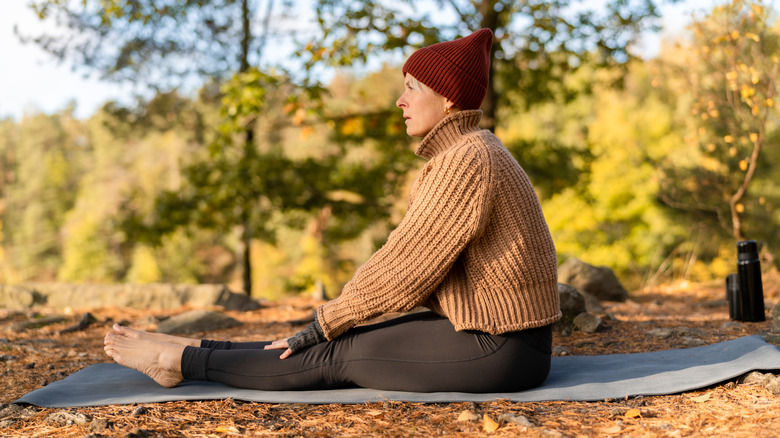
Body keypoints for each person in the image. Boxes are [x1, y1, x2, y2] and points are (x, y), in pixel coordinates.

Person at [104, 28, 561, 393]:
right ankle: (197, 346)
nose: (400, 101)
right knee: (339, 338)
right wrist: (334, 322)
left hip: (501, 349)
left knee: (332, 352)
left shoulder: (467, 158)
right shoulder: (471, 151)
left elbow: (405, 267)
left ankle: (177, 362)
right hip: (498, 335)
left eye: (411, 88)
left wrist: (324, 323)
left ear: (447, 98)